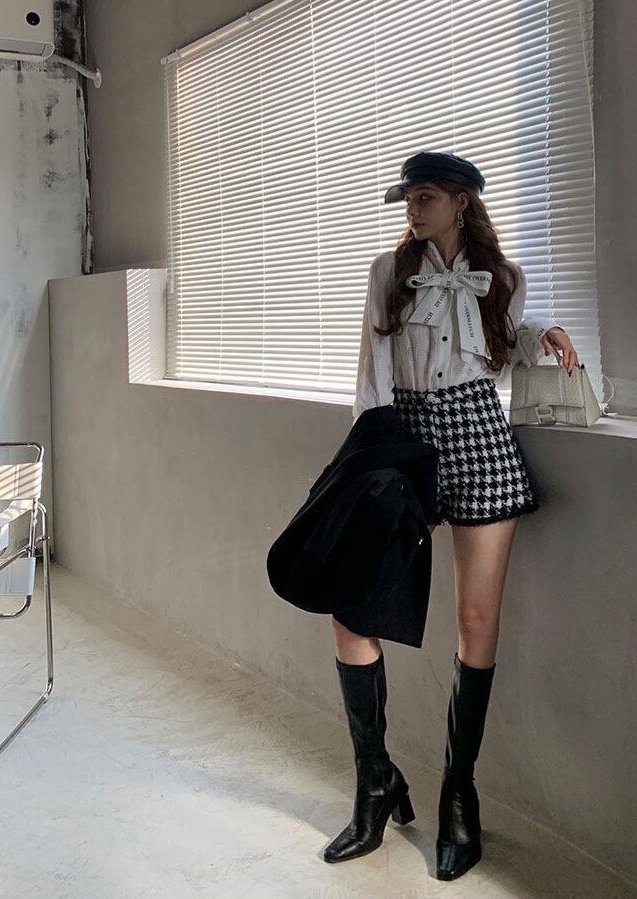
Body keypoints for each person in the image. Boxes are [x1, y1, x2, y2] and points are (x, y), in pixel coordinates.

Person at [322, 151, 580, 880]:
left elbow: (497, 347)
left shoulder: (506, 277)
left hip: (479, 438)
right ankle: (375, 780)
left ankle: (458, 792)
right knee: (351, 608)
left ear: (462, 202)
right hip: (404, 438)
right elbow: (371, 375)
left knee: (475, 621)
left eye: (426, 197)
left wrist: (542, 330)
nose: (413, 209)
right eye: (408, 198)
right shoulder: (387, 271)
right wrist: (371, 457)